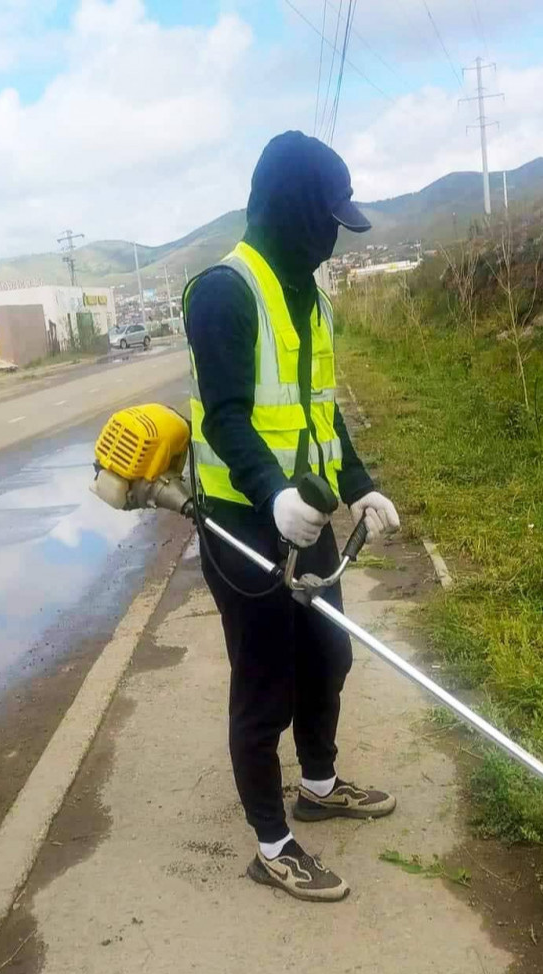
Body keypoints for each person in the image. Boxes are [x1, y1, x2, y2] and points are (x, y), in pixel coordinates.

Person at [183, 130, 403, 903]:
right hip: (243, 524)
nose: (334, 236)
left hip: (301, 516)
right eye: (327, 219)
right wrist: (271, 491)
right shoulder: (224, 291)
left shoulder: (309, 298)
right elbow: (226, 417)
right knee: (265, 683)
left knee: (328, 656)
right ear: (292, 210)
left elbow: (321, 415)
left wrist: (360, 485)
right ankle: (272, 844)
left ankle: (317, 780)